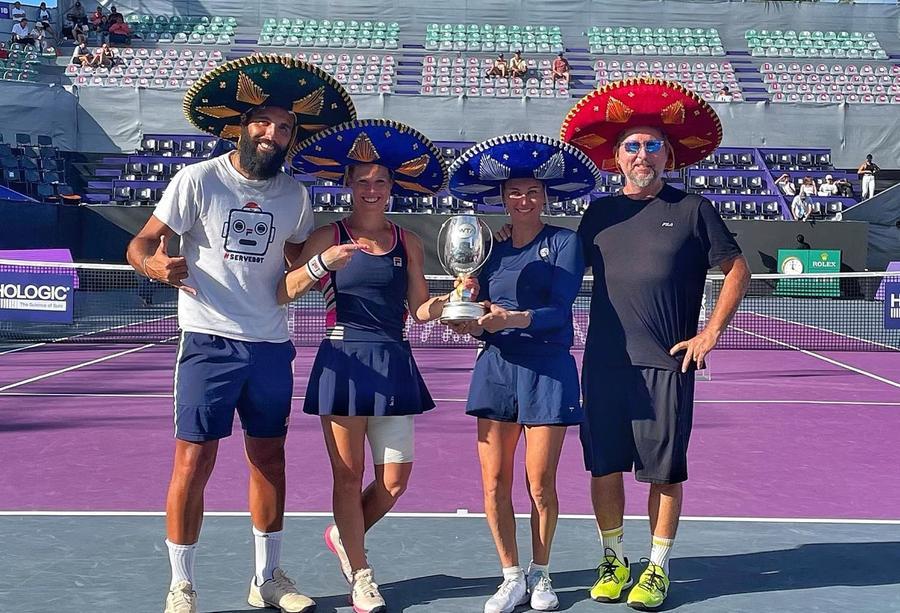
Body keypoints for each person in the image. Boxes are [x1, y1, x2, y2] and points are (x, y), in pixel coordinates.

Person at [125, 55, 356, 613]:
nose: (272, 133)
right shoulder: (197, 180)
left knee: (269, 459)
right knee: (193, 461)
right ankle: (181, 583)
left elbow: (296, 257)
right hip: (208, 339)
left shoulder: (295, 196)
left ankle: (267, 579)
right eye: (263, 122)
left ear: (293, 136)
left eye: (284, 127)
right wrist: (155, 267)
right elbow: (139, 244)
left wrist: (338, 248)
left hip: (272, 344)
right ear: (242, 126)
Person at [561, 78, 750, 610]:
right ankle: (613, 558)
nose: (642, 154)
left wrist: (710, 332)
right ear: (616, 157)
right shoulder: (598, 214)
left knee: (663, 471)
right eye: (632, 146)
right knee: (604, 466)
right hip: (602, 365)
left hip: (666, 364)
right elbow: (560, 276)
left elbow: (737, 270)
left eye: (651, 146)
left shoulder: (693, 209)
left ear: (668, 154)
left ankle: (656, 567)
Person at [286, 118, 453, 613]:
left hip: (395, 360)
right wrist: (321, 264)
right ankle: (362, 575)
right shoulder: (327, 235)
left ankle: (344, 534)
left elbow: (420, 308)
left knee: (395, 483)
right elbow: (287, 290)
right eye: (362, 181)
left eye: (380, 181)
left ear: (391, 187)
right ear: (349, 187)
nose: (372, 189)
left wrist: (450, 302)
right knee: (347, 475)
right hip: (343, 362)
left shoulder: (409, 242)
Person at [446, 133, 602, 613]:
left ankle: (541, 573)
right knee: (494, 482)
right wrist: (469, 320)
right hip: (496, 368)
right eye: (515, 192)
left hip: (548, 370)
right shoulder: (485, 248)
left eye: (532, 191)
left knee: (540, 483)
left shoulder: (564, 243)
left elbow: (560, 311)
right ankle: (510, 575)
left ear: (545, 197)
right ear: (503, 198)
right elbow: (478, 318)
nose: (523, 199)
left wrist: (513, 318)